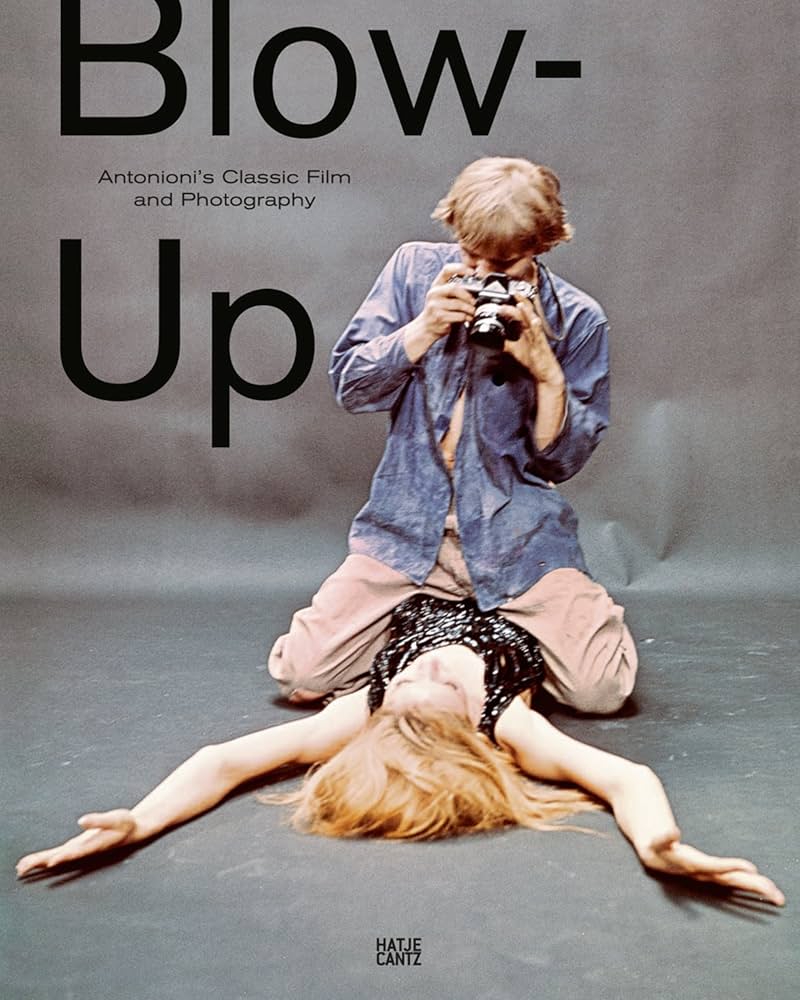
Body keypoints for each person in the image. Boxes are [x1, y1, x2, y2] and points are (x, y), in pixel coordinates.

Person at [16, 594, 784, 907]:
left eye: (412, 681)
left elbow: (225, 760)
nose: (426, 669)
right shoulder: (510, 728)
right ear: (470, 734)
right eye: (433, 682)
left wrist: (139, 821)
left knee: (302, 674)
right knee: (597, 687)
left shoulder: (370, 708)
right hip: (523, 603)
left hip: (424, 587)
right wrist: (658, 843)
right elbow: (625, 776)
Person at [268, 156, 636, 715]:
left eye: (504, 266)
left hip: (520, 542)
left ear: (544, 243)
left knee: (600, 691)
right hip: (409, 533)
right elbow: (351, 388)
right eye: (470, 256)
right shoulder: (413, 272)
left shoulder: (578, 319)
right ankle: (454, 633)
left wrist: (547, 374)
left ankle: (471, 633)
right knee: (302, 673)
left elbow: (562, 464)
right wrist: (422, 329)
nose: (483, 275)